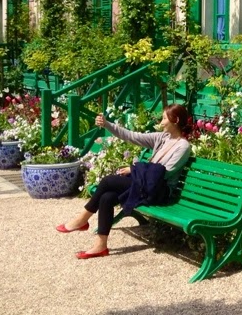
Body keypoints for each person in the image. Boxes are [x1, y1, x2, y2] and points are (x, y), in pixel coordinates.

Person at [56, 103, 191, 259]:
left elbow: (164, 174)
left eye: (164, 118)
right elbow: (132, 136)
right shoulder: (162, 138)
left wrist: (133, 170)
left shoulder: (183, 147)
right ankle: (100, 246)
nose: (161, 122)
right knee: (107, 198)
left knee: (107, 181)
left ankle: (82, 219)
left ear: (176, 120)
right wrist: (107, 124)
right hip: (145, 184)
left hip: (159, 191)